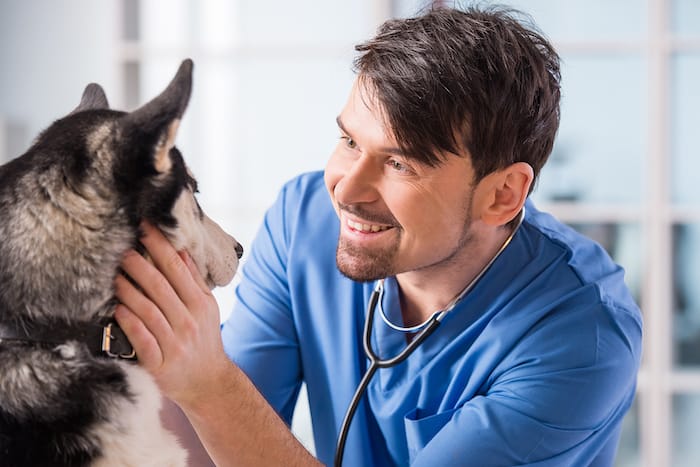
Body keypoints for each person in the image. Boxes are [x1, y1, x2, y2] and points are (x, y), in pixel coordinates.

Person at [115, 5, 643, 466]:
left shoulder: (581, 334)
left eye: (399, 163)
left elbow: (217, 395)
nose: (347, 190)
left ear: (503, 194)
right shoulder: (305, 220)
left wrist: (207, 381)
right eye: (348, 140)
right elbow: (212, 444)